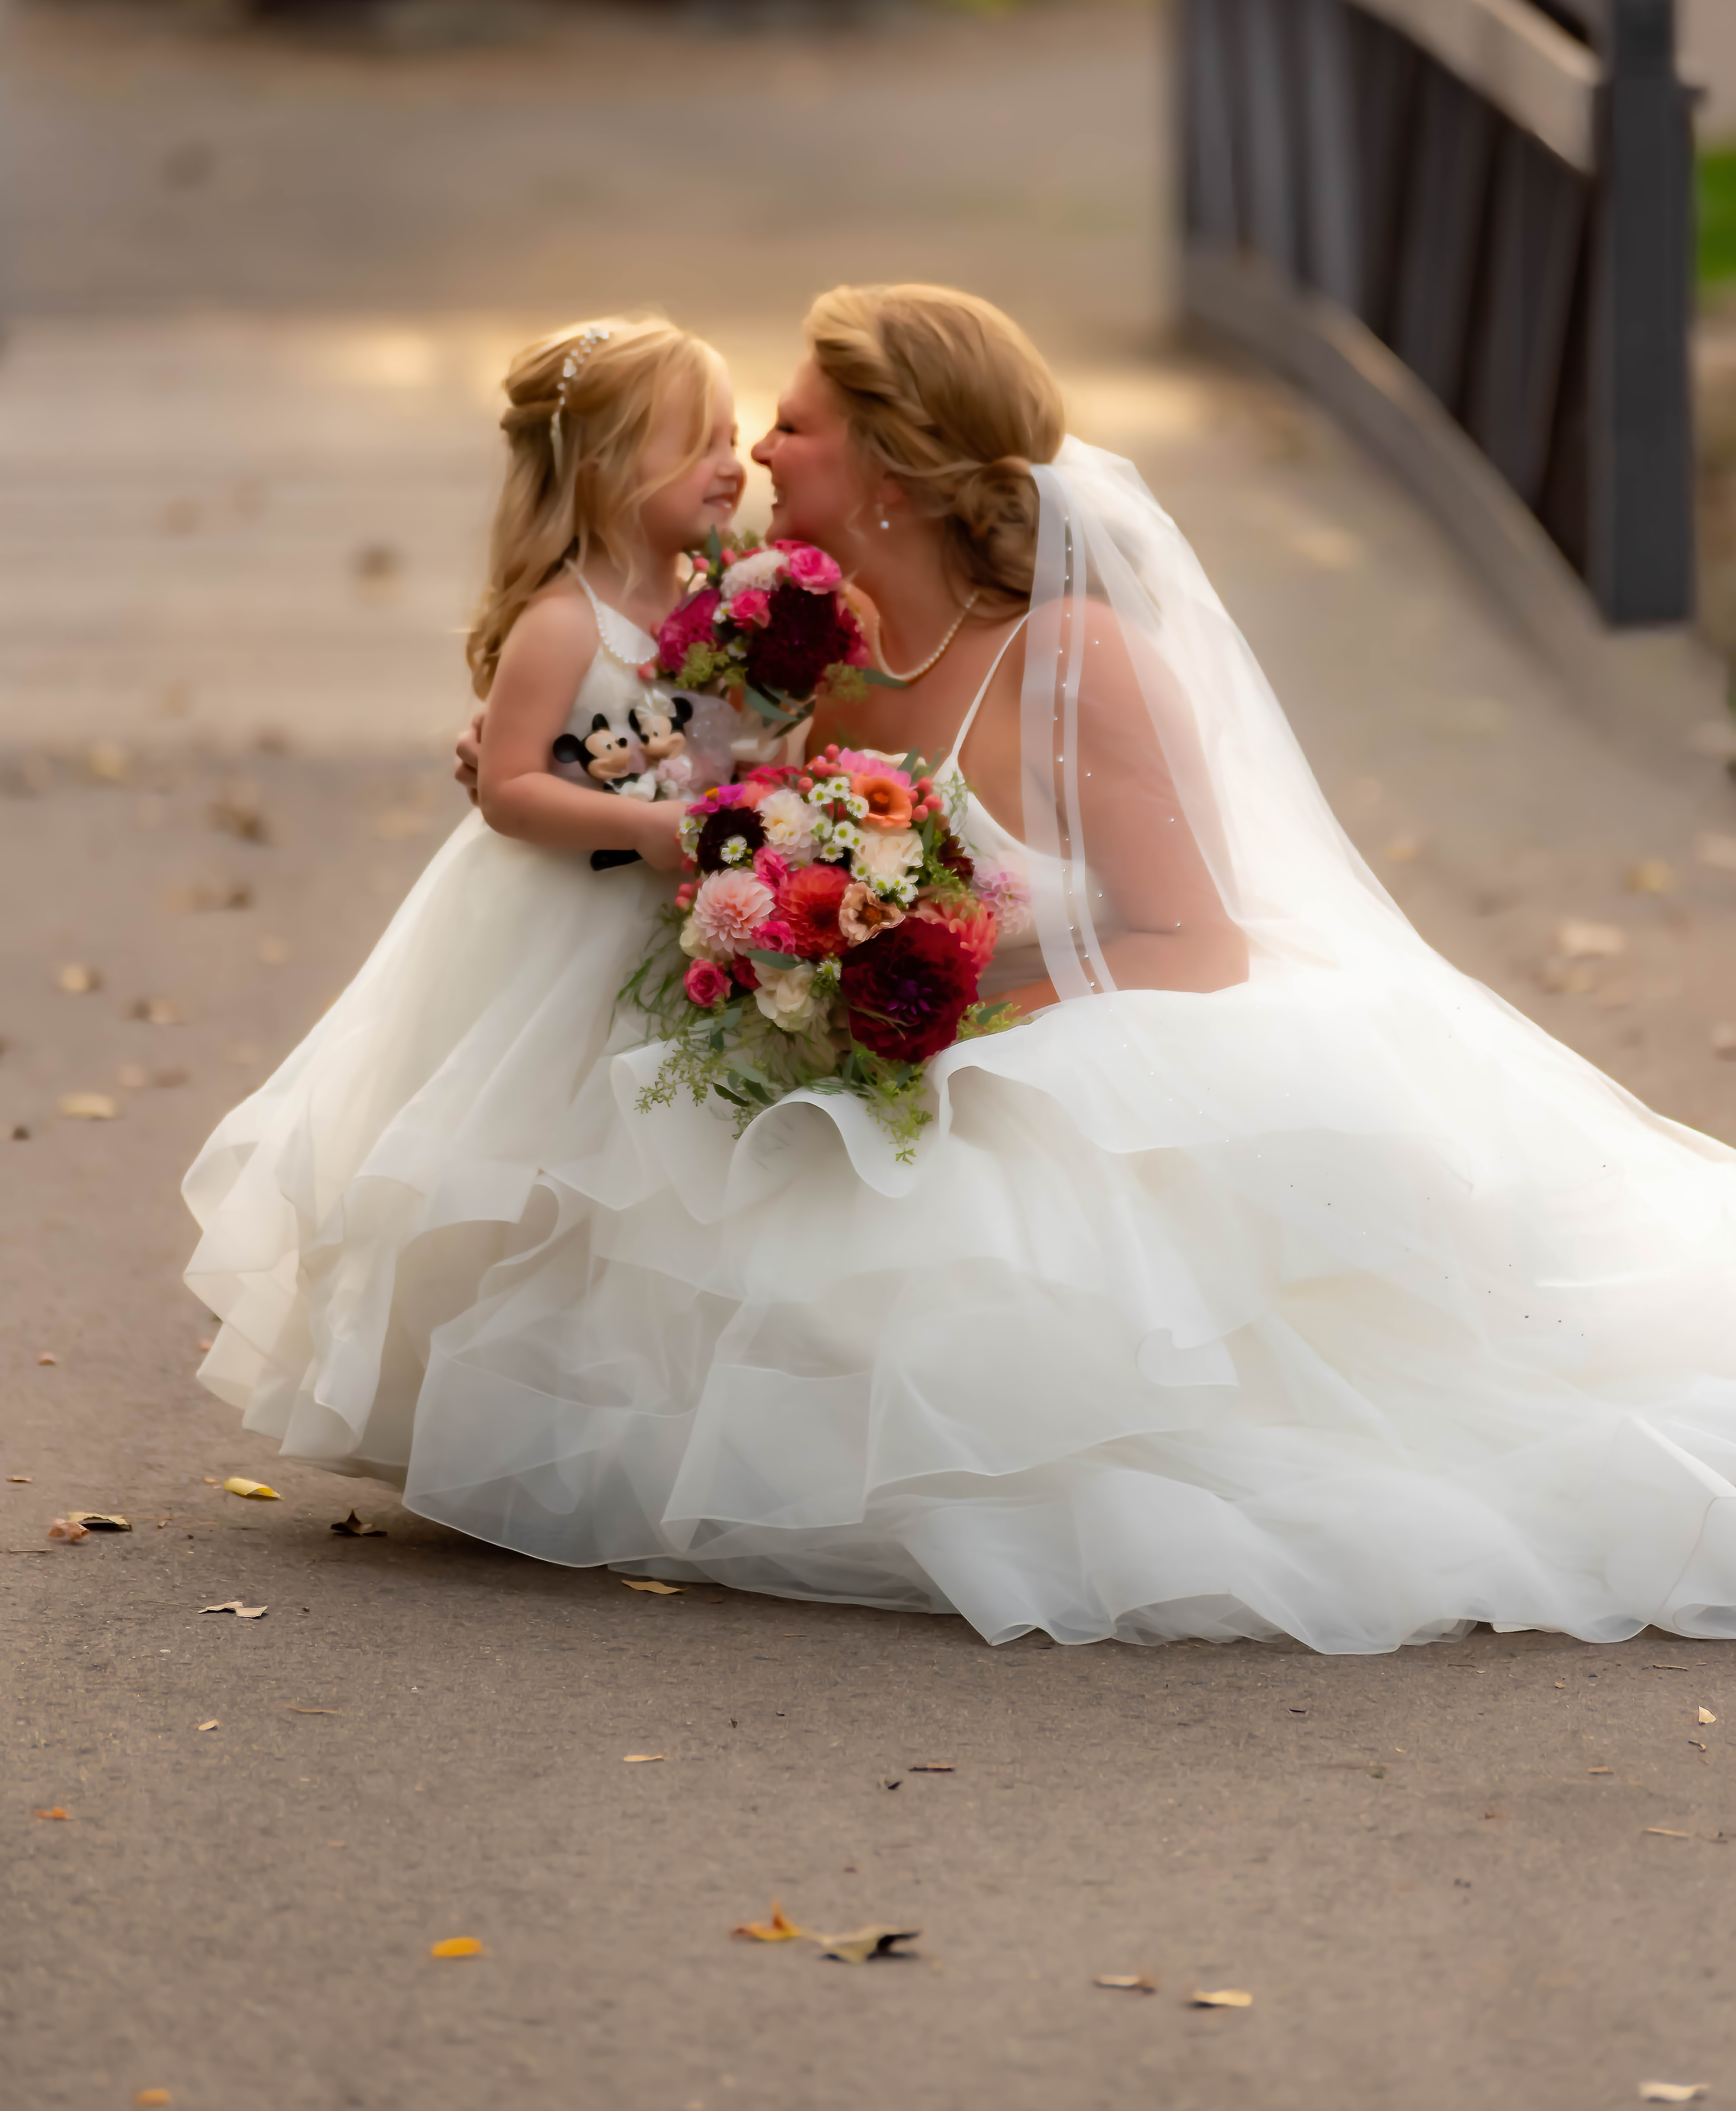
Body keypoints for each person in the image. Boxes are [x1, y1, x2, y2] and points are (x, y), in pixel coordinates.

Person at [207, 284, 1736, 1655]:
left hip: (1089, 1044)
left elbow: (1192, 941)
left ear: (888, 468)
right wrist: (541, 757)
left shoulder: (1073, 657)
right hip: (883, 1043)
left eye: (793, 425)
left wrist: (944, 1021)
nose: (761, 449)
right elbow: (674, 744)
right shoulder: (813, 643)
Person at [182, 316, 743, 1472]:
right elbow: (509, 787)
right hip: (559, 931)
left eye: (734, 439)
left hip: (672, 929)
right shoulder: (564, 621)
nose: (731, 466)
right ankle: (498, 1412)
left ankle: (627, 1413)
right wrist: (650, 827)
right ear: (605, 470)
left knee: (647, 1165)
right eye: (699, 445)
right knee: (539, 1156)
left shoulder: (718, 606)